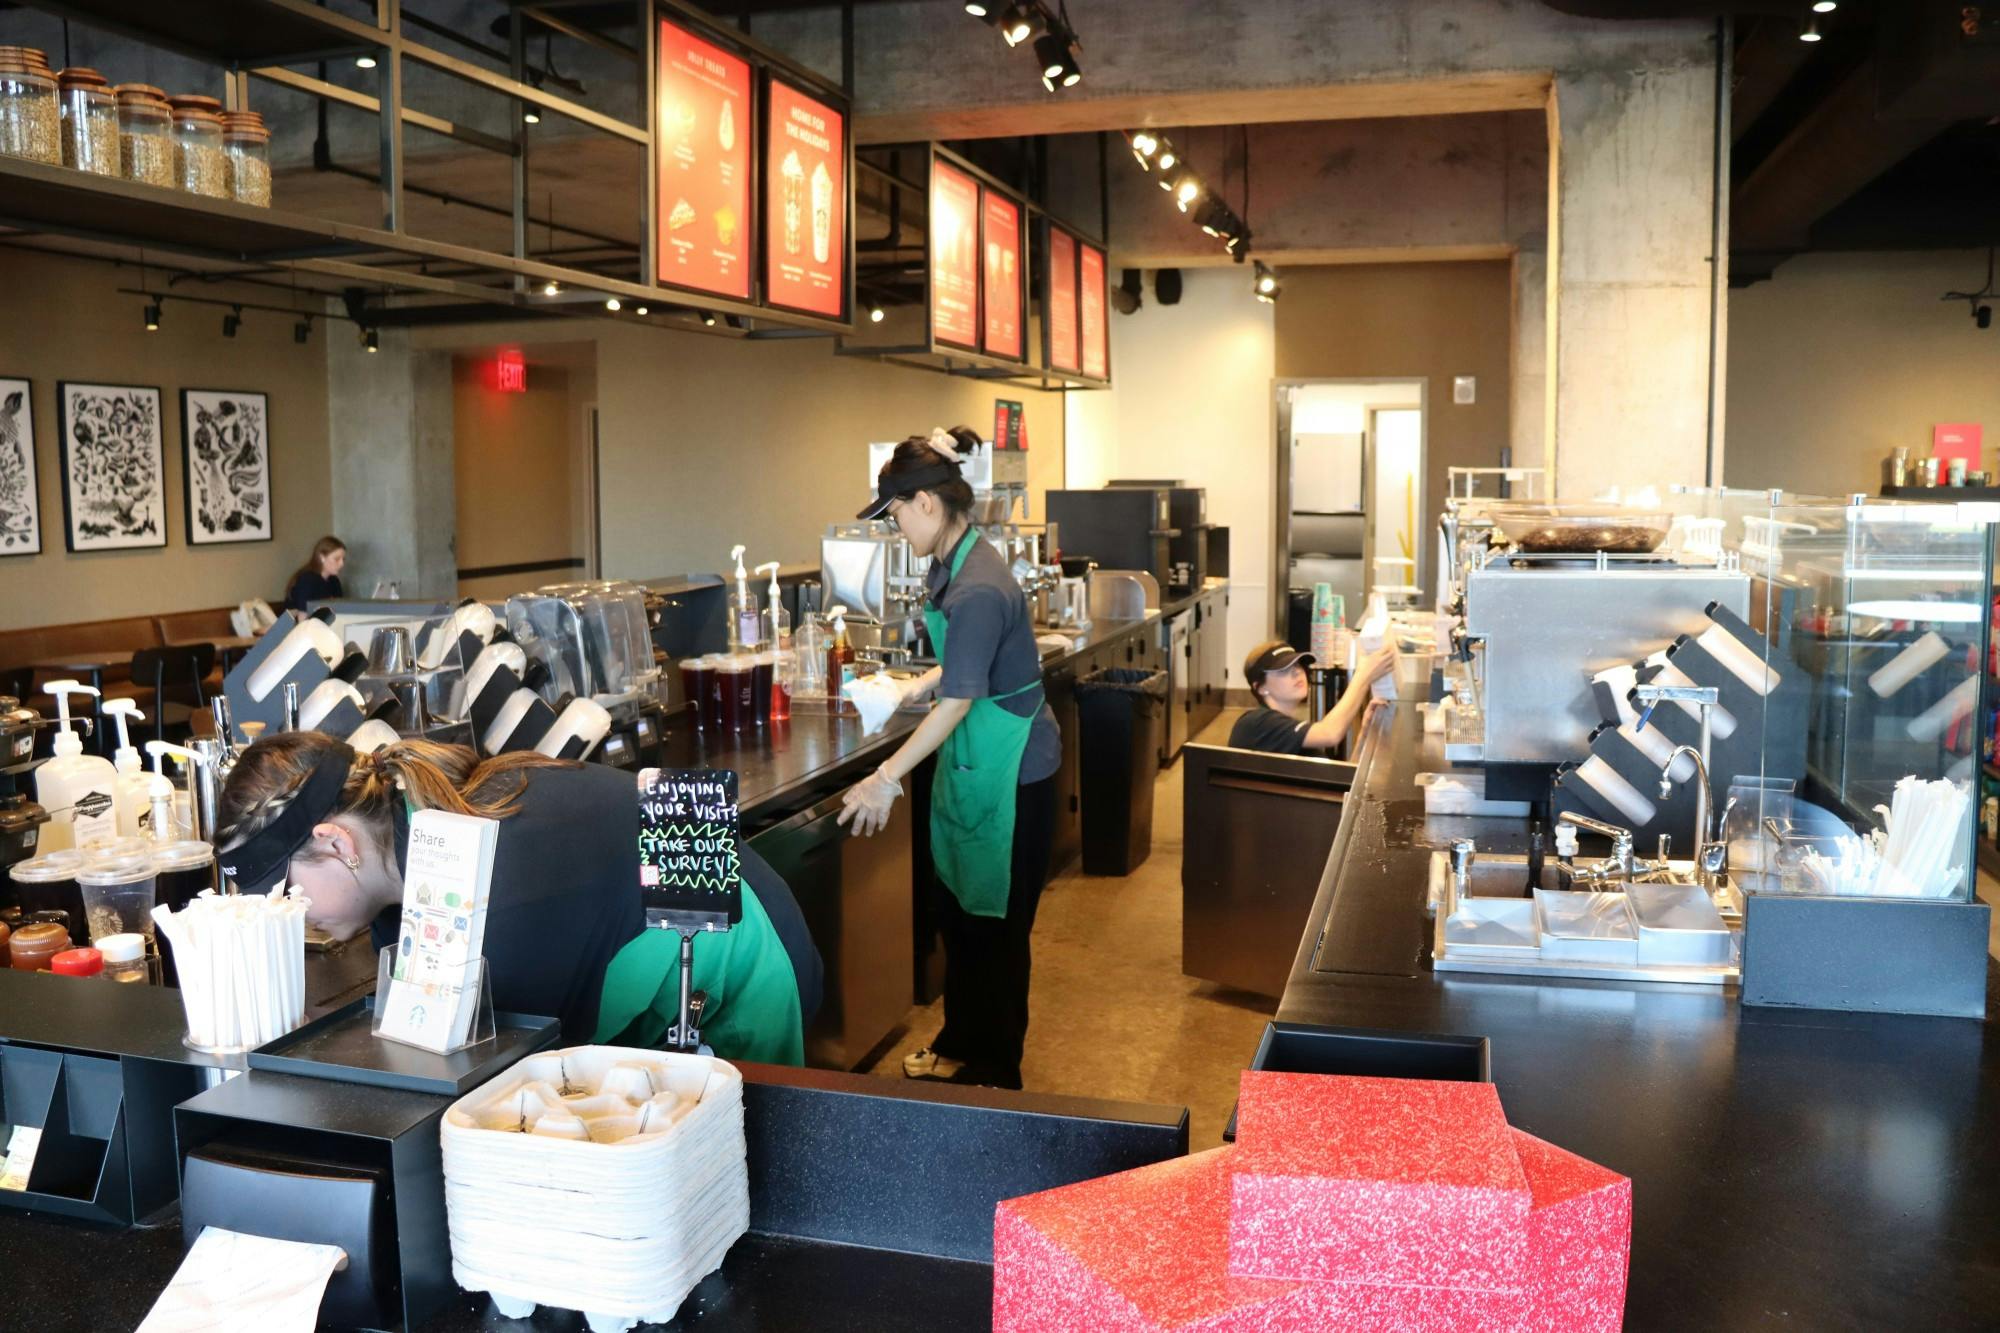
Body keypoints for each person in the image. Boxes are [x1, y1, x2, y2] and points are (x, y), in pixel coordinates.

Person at [211, 732, 821, 1063]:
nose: (292, 915)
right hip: (653, 970)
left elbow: (512, 1078)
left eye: (287, 891)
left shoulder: (495, 896)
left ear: (336, 842)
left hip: (737, 962)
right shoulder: (415, 839)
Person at [838, 426, 1059, 1090]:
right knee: (963, 915)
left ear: (927, 504)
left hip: (1012, 772)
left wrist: (883, 776)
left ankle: (996, 1072)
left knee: (997, 931)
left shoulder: (978, 585)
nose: (897, 527)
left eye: (897, 513)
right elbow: (962, 671)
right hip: (976, 766)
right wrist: (921, 682)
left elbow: (964, 700)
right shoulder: (954, 562)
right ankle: (960, 1041)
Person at [1228, 638, 1396, 755]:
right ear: (1260, 687)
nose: (1296, 672)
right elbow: (1330, 734)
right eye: (1284, 669)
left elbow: (1339, 782)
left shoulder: (1296, 735)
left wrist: (1366, 735)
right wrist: (1363, 676)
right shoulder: (1256, 723)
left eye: (1298, 665)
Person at [285, 535, 346, 614]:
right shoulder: (307, 580)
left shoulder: (334, 581)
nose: (342, 564)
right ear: (322, 558)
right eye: (337, 559)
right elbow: (302, 616)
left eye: (343, 559)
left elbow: (339, 610)